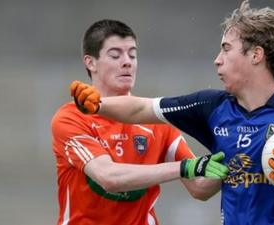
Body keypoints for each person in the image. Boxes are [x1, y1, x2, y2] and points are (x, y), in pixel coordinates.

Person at [70, 1, 274, 224]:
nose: (217, 59)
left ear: (256, 55)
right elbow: (143, 107)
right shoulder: (212, 107)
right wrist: (98, 105)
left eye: (226, 49)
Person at [51, 19, 228, 225]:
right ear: (90, 62)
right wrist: (184, 167)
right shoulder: (70, 118)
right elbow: (109, 177)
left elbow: (199, 187)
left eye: (132, 55)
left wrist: (235, 153)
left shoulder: (155, 121)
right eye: (115, 55)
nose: (127, 62)